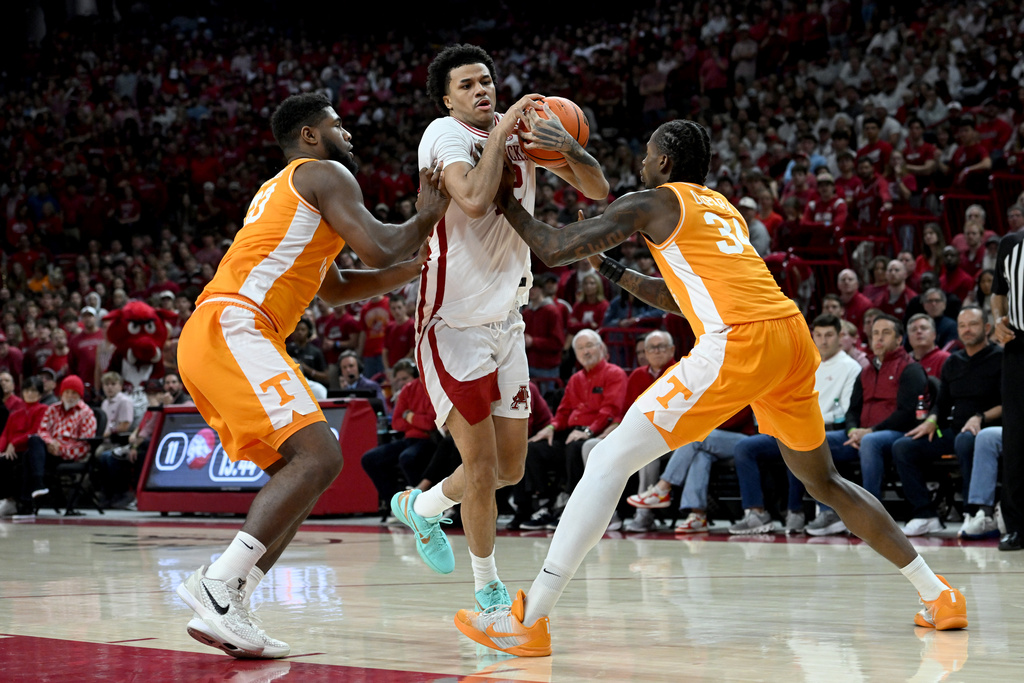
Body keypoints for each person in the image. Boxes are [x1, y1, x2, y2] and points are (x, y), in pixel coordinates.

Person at [455, 120, 966, 657]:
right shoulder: (720, 208)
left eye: (649, 155)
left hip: (741, 342)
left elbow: (555, 249)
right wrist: (613, 270)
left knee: (606, 459)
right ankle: (939, 595)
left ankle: (529, 620)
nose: (643, 164)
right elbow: (685, 297)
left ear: (666, 165)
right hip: (788, 336)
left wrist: (505, 204)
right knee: (826, 481)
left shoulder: (651, 200)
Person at [174, 92, 449, 659]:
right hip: (237, 323)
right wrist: (427, 211)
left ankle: (234, 600)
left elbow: (339, 285)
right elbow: (375, 247)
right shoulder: (325, 173)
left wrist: (409, 269)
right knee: (321, 457)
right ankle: (219, 584)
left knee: (302, 473)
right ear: (308, 135)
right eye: (337, 124)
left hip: (219, 331)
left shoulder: (288, 191)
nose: (347, 133)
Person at [393, 43, 608, 615]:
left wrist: (570, 150)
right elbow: (472, 195)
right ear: (447, 98)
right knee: (484, 467)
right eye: (466, 85)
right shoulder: (443, 136)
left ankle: (424, 507)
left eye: (485, 80)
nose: (481, 90)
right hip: (452, 323)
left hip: (506, 321)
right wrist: (505, 129)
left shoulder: (523, 134)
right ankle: (488, 590)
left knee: (510, 468)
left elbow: (595, 189)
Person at [728, 313, 863, 535]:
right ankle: (755, 513)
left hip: (827, 431)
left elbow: (846, 412)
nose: (823, 340)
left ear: (840, 336)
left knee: (800, 442)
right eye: (818, 335)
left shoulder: (851, 367)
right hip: (792, 428)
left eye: (829, 335)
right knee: (745, 447)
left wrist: (806, 420)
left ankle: (799, 511)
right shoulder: (804, 359)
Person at [893, 306, 1002, 536]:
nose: (967, 330)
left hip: (987, 430)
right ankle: (925, 514)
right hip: (951, 430)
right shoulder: (953, 362)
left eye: (972, 324)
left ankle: (973, 513)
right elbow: (941, 404)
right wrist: (931, 421)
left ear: (987, 327)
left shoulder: (1000, 358)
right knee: (904, 446)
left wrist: (980, 417)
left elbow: (1009, 403)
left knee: (966, 440)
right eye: (962, 325)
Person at [992, 226, 1024, 551]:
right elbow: (998, 293)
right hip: (1019, 346)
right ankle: (1015, 526)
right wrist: (998, 319)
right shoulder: (1011, 244)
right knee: (1015, 438)